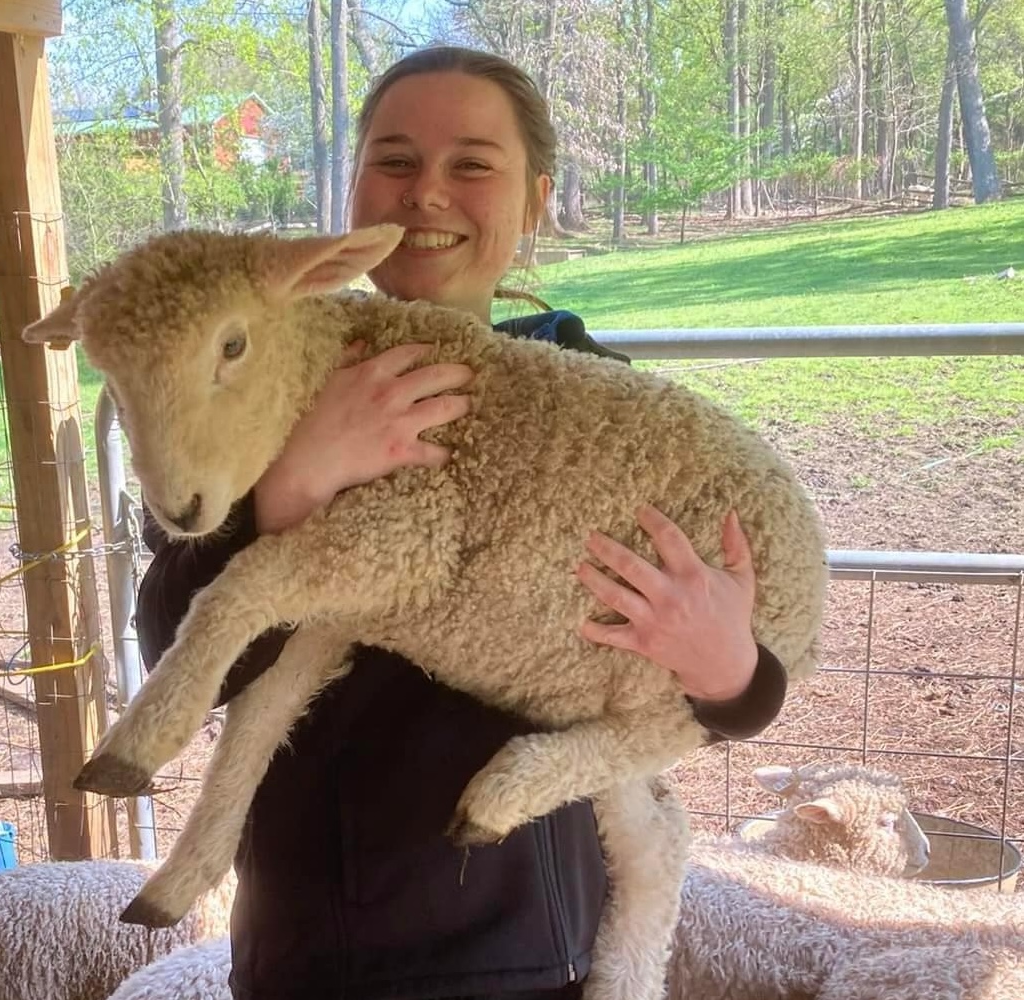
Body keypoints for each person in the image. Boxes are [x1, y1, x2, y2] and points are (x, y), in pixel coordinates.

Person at [134, 46, 788, 1000]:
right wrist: (295, 482)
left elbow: (738, 697)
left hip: (543, 939)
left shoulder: (611, 416)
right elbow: (174, 650)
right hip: (323, 944)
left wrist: (729, 666)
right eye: (393, 161)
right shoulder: (253, 385)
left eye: (472, 164)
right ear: (352, 189)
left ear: (534, 201)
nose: (426, 194)